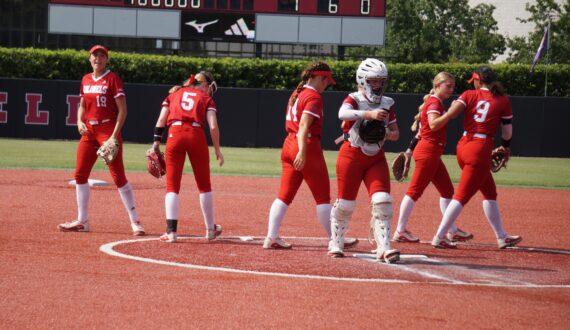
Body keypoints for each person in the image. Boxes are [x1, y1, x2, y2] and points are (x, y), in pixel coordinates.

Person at [263, 61, 358, 250]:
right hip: (305, 144)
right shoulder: (313, 97)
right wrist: (303, 152)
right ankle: (335, 239)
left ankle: (271, 236)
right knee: (322, 197)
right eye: (326, 81)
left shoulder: (297, 92)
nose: (327, 85)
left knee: (284, 196)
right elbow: (304, 127)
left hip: (289, 143)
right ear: (318, 78)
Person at [430, 66, 522, 249]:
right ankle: (439, 236)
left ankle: (502, 236)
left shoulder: (469, 94)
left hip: (464, 146)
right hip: (480, 149)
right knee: (461, 197)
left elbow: (452, 113)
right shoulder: (502, 100)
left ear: (478, 80)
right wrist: (506, 147)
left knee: (489, 192)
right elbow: (507, 131)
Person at [58, 45, 144, 236]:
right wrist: (78, 121)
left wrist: (113, 136)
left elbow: (123, 110)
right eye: (95, 55)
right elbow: (82, 105)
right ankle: (82, 221)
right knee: (80, 175)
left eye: (102, 55)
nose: (98, 58)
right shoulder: (86, 79)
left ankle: (135, 221)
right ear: (90, 59)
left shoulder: (113, 79)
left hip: (107, 129)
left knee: (118, 176)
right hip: (89, 130)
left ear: (106, 60)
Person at [328, 58, 400, 263]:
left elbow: (396, 133)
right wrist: (368, 114)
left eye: (380, 81)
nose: (377, 85)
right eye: (373, 80)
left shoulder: (387, 102)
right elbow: (342, 114)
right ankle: (336, 242)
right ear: (363, 79)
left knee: (383, 201)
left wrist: (384, 132)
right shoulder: (353, 98)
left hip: (376, 157)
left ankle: (384, 247)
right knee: (346, 204)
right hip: (352, 154)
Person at [393, 72, 473, 243]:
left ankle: (451, 230)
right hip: (428, 153)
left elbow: (423, 130)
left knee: (447, 191)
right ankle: (400, 230)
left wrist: (409, 149)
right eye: (448, 85)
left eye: (453, 86)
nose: (451, 89)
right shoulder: (435, 102)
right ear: (437, 85)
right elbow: (433, 124)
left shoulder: (435, 102)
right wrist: (450, 113)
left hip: (432, 153)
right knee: (414, 191)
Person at [151, 71, 224, 243]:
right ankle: (210, 230)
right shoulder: (206, 99)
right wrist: (217, 150)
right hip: (195, 134)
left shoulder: (174, 94)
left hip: (174, 135)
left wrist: (155, 144)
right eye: (210, 87)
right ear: (205, 85)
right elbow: (213, 127)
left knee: (172, 186)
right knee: (204, 185)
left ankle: (171, 233)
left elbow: (161, 121)